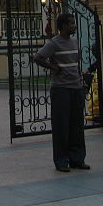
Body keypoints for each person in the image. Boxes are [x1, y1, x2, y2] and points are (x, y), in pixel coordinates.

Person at [34, 13, 89, 172]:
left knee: (77, 125)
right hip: (61, 89)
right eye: (71, 23)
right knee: (61, 126)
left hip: (76, 87)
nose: (74, 26)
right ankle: (61, 161)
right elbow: (38, 57)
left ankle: (77, 158)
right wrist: (53, 68)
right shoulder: (54, 43)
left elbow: (75, 62)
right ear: (63, 26)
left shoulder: (74, 41)